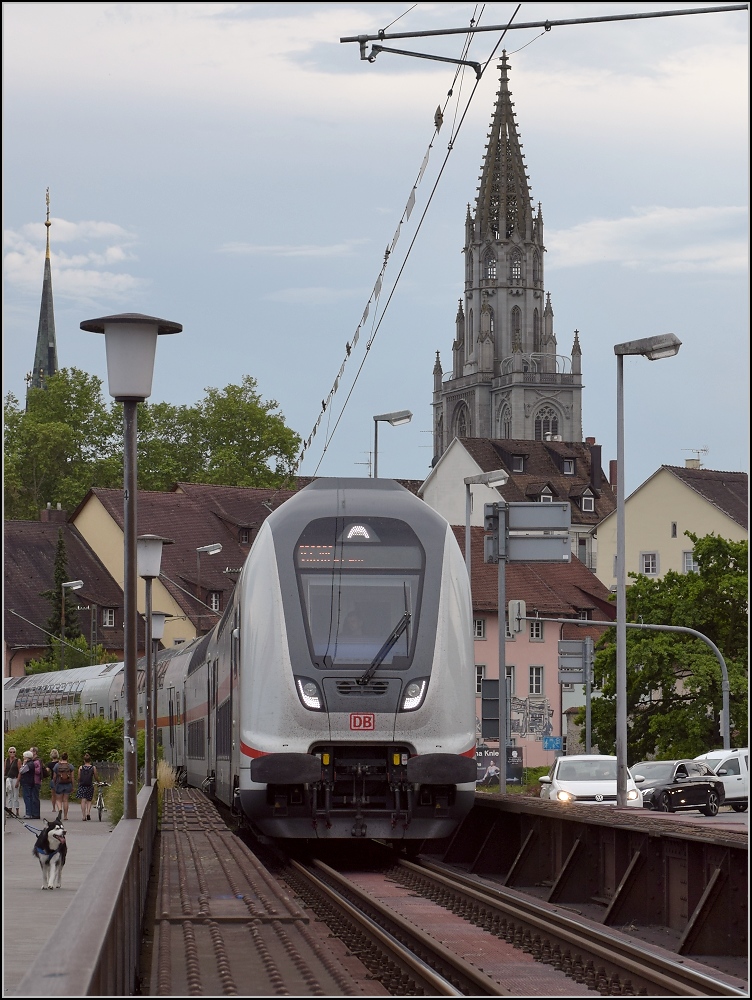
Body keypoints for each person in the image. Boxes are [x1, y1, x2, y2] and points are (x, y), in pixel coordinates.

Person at [52, 752, 74, 821]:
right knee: (65, 800)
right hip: (68, 784)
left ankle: (60, 810)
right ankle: (65, 816)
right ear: (67, 758)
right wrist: (73, 786)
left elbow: (54, 776)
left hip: (59, 784)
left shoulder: (57, 765)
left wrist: (54, 783)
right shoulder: (70, 766)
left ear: (61, 757)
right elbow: (72, 777)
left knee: (58, 800)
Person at [77, 753, 98, 820]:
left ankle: (83, 816)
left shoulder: (81, 767)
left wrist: (78, 782)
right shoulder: (93, 768)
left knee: (83, 800)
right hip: (89, 785)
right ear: (90, 760)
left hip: (82, 785)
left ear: (84, 760)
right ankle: (88, 812)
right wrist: (98, 782)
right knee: (89, 800)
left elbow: (79, 777)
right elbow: (96, 776)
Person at [18, 750, 36, 818]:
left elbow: (21, 771)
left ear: (27, 757)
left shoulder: (28, 765)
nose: (23, 758)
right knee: (30, 797)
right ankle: (31, 812)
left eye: (24, 757)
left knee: (27, 798)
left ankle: (28, 813)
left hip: (26, 782)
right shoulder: (32, 763)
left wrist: (23, 764)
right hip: (31, 782)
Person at [4, 746, 20, 817]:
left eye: (13, 752)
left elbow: (20, 771)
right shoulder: (6, 760)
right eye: (11, 752)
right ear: (8, 753)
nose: (12, 753)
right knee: (9, 795)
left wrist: (18, 781)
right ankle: (9, 811)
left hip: (15, 778)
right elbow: (4, 770)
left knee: (16, 795)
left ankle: (17, 811)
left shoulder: (18, 760)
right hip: (8, 779)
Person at [29, 746, 44, 819]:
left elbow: (38, 771)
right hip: (32, 781)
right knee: (32, 797)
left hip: (36, 781)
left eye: (31, 751)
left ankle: (36, 814)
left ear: (34, 752)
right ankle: (33, 812)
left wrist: (31, 769)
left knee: (35, 797)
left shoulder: (37, 761)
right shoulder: (32, 761)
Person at [46, 749, 60, 815]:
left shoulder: (50, 764)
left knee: (53, 795)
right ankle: (59, 807)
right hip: (60, 779)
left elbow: (47, 771)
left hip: (53, 779)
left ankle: (54, 808)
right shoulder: (59, 763)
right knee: (59, 794)